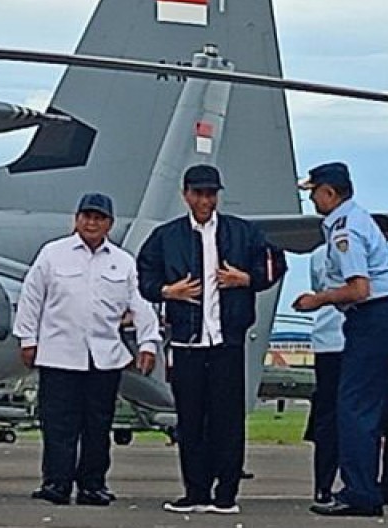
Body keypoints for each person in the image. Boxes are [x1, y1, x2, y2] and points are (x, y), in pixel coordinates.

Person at [138, 165, 285, 515]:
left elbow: (275, 263)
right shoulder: (167, 236)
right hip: (188, 343)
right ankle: (196, 491)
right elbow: (143, 275)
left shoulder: (242, 232)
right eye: (198, 193)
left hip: (227, 343)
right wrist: (165, 291)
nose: (205, 200)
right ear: (186, 195)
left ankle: (226, 493)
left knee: (228, 419)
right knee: (190, 420)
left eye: (211, 194)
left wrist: (247, 279)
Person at [17, 193, 161, 506]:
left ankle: (92, 484)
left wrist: (148, 342)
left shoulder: (122, 261)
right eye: (86, 216)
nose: (91, 222)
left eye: (98, 218)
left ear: (109, 223)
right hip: (59, 354)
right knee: (58, 425)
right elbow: (31, 298)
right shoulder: (53, 254)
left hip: (104, 356)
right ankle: (56, 483)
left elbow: (141, 305)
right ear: (76, 219)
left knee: (97, 425)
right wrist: (27, 339)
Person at [293, 162, 388, 518]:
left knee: (353, 405)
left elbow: (359, 288)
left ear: (329, 193)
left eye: (314, 192)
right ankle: (367, 488)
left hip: (374, 317)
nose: (312, 199)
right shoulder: (358, 221)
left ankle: (359, 491)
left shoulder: (344, 229)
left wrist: (318, 299)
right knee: (370, 406)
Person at [303, 245, 388, 509]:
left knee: (329, 417)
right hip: (363, 338)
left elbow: (321, 288)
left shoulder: (318, 255)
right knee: (379, 416)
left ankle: (323, 486)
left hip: (330, 338)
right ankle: (380, 485)